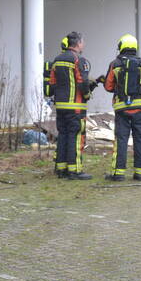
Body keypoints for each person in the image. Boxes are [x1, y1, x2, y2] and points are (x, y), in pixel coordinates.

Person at [100, 34, 141, 181]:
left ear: (121, 47)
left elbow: (108, 86)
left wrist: (118, 87)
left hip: (122, 109)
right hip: (140, 110)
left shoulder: (115, 64)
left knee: (121, 140)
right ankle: (140, 173)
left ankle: (118, 173)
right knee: (140, 140)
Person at [48, 31, 97, 180]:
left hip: (60, 107)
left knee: (63, 135)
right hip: (75, 107)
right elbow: (82, 82)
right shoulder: (79, 60)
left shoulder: (57, 60)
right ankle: (74, 171)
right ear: (78, 43)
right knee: (75, 137)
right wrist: (87, 95)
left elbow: (52, 84)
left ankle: (61, 169)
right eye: (83, 42)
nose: (84, 45)